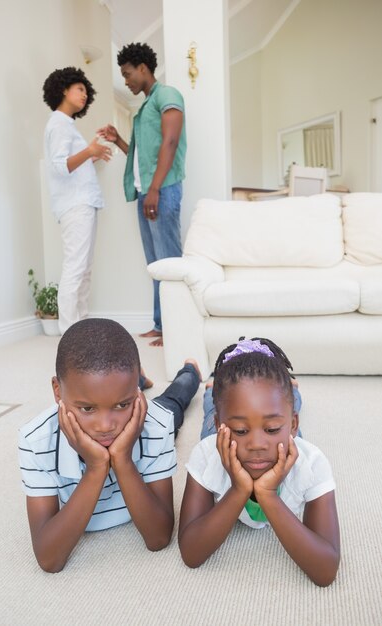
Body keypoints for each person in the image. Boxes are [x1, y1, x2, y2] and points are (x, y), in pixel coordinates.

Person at [18, 318, 200, 573]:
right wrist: (96, 467)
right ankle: (137, 385)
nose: (106, 426)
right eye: (87, 408)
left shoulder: (157, 424)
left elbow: (158, 538)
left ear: (135, 396)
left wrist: (123, 460)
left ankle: (190, 371)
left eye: (122, 404)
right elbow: (49, 559)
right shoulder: (35, 441)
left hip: (156, 413)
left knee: (174, 400)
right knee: (164, 403)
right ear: (58, 391)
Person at [178, 337, 340, 586]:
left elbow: (326, 571)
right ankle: (212, 392)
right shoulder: (206, 455)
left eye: (273, 428)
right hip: (221, 437)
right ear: (222, 426)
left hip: (286, 443)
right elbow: (191, 553)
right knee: (210, 411)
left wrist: (268, 494)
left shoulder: (312, 464)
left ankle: (293, 392)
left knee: (287, 408)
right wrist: (239, 489)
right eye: (241, 430)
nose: (257, 445)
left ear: (292, 424)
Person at [98, 43, 186, 347]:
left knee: (170, 262)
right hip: (146, 192)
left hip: (160, 190)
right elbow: (141, 156)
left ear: (143, 68)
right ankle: (162, 325)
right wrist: (119, 140)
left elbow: (170, 142)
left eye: (127, 74)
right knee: (155, 264)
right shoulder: (145, 106)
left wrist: (155, 189)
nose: (126, 81)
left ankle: (178, 328)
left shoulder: (167, 95)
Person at [42, 67, 112, 335]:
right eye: (80, 88)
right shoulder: (58, 123)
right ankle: (70, 333)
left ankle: (81, 328)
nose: (84, 94)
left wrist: (93, 154)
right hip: (75, 205)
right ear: (64, 89)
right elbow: (59, 167)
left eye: (86, 91)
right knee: (76, 268)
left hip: (83, 202)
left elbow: (73, 164)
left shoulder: (66, 125)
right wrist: (89, 151)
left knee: (84, 269)